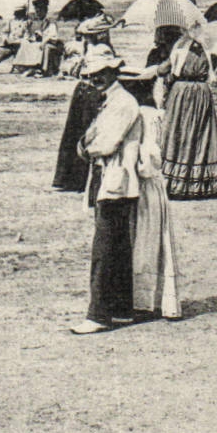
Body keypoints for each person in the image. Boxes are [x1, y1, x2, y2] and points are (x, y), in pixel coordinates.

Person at [70, 54, 142, 334]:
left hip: (116, 180)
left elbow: (106, 143)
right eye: (90, 75)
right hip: (110, 178)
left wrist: (87, 149)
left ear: (113, 71)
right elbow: (90, 136)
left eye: (100, 73)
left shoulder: (122, 103)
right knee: (118, 246)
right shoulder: (109, 101)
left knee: (105, 248)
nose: (94, 79)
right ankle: (121, 309)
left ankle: (98, 314)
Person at [125, 68, 181, 321]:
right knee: (158, 242)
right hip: (156, 186)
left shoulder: (142, 116)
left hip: (145, 185)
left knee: (144, 243)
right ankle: (160, 299)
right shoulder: (157, 114)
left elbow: (148, 157)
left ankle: (143, 302)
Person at [158, 27, 217, 198]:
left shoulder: (180, 48)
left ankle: (178, 181)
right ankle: (201, 181)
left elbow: (164, 70)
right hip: (201, 92)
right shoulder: (207, 51)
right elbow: (212, 68)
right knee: (201, 134)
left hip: (182, 93)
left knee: (179, 133)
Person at [53, 41, 118, 191]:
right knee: (78, 133)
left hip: (88, 90)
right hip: (87, 90)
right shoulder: (91, 47)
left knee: (83, 133)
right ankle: (72, 179)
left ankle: (76, 179)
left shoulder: (99, 48)